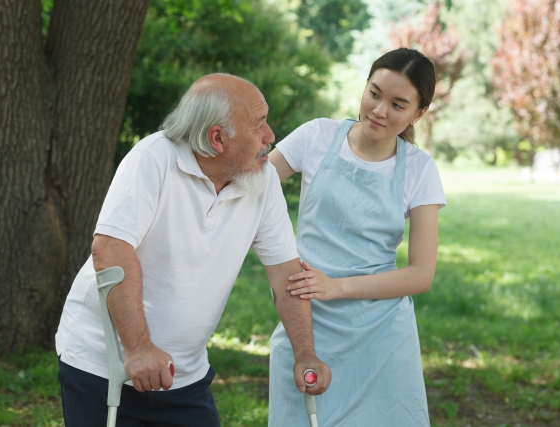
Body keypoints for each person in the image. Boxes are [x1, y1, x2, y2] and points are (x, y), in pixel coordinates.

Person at [55, 73, 330, 427]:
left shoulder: (263, 180)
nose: (270, 137)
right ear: (217, 138)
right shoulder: (153, 159)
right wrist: (138, 349)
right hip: (103, 367)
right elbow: (110, 249)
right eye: (259, 124)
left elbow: (285, 273)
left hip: (185, 374)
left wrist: (305, 354)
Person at [268, 48, 446, 426]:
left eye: (398, 104)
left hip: (382, 338)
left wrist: (336, 286)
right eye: (374, 93)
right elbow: (251, 189)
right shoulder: (317, 136)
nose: (380, 111)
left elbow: (421, 274)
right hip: (306, 324)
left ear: (418, 113)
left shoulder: (418, 169)